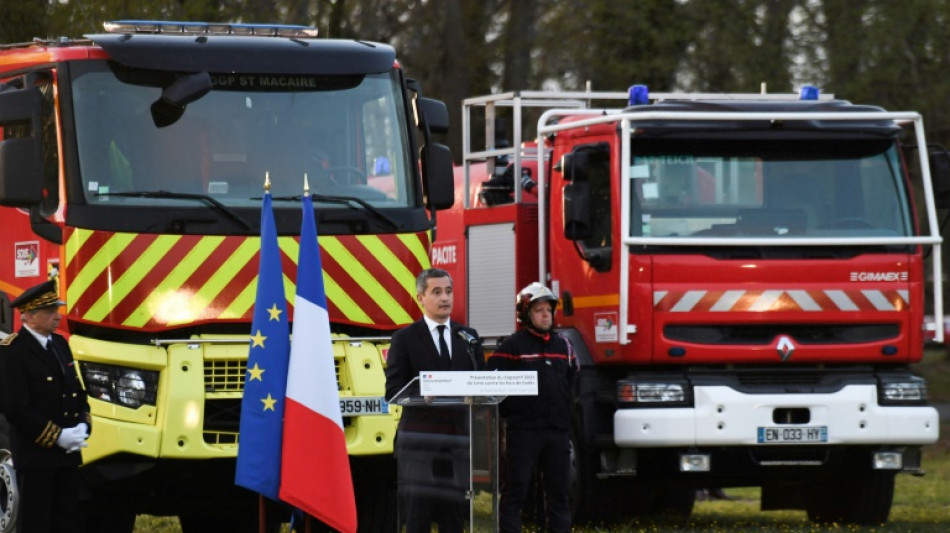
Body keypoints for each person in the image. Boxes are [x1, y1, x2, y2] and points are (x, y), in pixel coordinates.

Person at [385, 268, 485, 533]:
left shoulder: (468, 337)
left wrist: (476, 393)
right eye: (437, 292)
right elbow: (393, 390)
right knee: (418, 517)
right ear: (421, 298)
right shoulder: (404, 339)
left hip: (457, 443)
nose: (445, 298)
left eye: (449, 291)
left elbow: (481, 382)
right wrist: (421, 395)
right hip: (420, 444)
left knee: (453, 518)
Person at [0, 279, 91, 533]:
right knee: (36, 522)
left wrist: (83, 426)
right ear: (29, 316)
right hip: (37, 456)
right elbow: (15, 407)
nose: (57, 317)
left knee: (67, 521)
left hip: (68, 455)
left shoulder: (60, 345)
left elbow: (76, 391)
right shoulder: (12, 351)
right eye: (50, 312)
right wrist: (57, 437)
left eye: (57, 310)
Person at [487, 282, 577, 533]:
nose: (546, 314)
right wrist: (515, 412)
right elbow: (493, 384)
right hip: (524, 432)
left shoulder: (564, 346)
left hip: (557, 431)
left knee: (558, 493)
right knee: (517, 490)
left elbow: (571, 380)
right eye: (539, 310)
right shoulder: (511, 347)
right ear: (525, 313)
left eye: (549, 309)